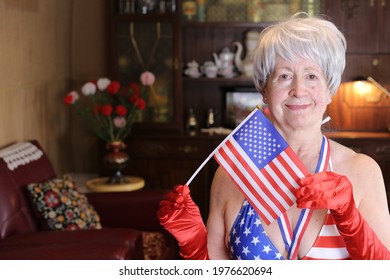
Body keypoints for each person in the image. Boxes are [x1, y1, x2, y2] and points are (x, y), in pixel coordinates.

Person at [158, 13, 390, 260]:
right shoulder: (230, 173)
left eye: (312, 76)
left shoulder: (363, 171)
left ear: (330, 89)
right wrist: (193, 243)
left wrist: (351, 219)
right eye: (284, 76)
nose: (298, 90)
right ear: (264, 90)